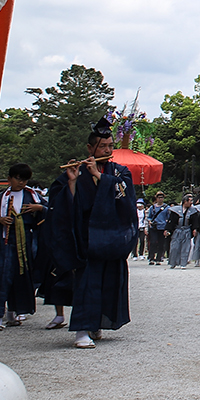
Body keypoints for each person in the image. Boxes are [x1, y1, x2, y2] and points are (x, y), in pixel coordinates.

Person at [47, 117, 137, 349]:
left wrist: (100, 177)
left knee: (109, 282)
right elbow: (61, 205)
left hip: (112, 237)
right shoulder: (78, 171)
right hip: (88, 237)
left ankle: (97, 323)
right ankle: (80, 330)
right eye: (102, 147)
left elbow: (126, 199)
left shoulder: (120, 171)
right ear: (90, 148)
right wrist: (73, 183)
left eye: (110, 146)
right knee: (87, 283)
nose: (107, 150)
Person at [0, 163, 47, 330]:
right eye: (18, 179)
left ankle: (13, 314)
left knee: (20, 278)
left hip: (26, 242)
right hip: (4, 242)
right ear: (10, 179)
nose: (21, 183)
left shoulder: (33, 196)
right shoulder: (1, 198)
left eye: (25, 180)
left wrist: (40, 208)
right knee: (1, 277)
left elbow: (50, 211)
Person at [166, 193, 194, 269]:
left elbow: (194, 222)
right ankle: (173, 262)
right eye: (190, 201)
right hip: (177, 230)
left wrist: (194, 230)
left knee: (186, 247)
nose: (191, 203)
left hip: (187, 230)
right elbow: (171, 221)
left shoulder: (193, 211)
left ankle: (183, 263)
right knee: (174, 247)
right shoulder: (175, 210)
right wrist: (168, 230)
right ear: (185, 201)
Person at [145, 192, 171, 264]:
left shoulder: (167, 208)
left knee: (161, 243)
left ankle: (159, 258)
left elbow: (168, 218)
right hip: (154, 227)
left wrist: (167, 228)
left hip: (162, 227)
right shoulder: (152, 207)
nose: (160, 199)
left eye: (162, 197)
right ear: (156, 198)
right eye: (159, 197)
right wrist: (150, 221)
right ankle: (151, 257)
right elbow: (149, 217)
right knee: (153, 242)